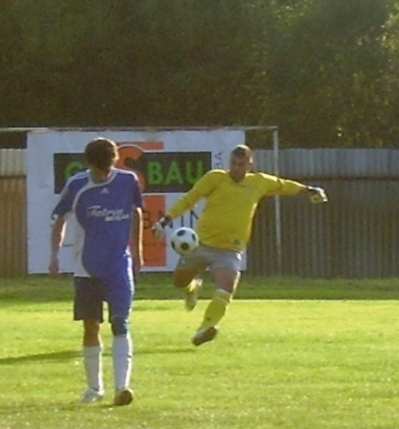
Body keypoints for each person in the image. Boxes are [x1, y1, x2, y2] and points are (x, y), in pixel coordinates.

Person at [152, 143, 327, 346]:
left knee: (226, 289)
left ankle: (205, 328)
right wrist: (165, 221)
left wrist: (310, 190)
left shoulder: (259, 182)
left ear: (250, 164)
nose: (237, 168)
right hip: (201, 244)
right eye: (234, 164)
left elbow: (283, 185)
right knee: (179, 282)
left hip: (229, 250)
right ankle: (191, 289)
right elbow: (190, 199)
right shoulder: (215, 178)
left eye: (241, 164)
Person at [49, 137, 144, 405]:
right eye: (97, 169)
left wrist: (137, 251)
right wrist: (55, 254)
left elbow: (136, 213)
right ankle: (94, 388)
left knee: (121, 322)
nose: (102, 175)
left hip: (118, 264)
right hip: (86, 267)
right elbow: (60, 220)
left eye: (107, 168)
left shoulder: (127, 182)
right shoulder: (78, 185)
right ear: (88, 163)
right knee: (91, 326)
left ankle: (122, 387)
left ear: (115, 161)